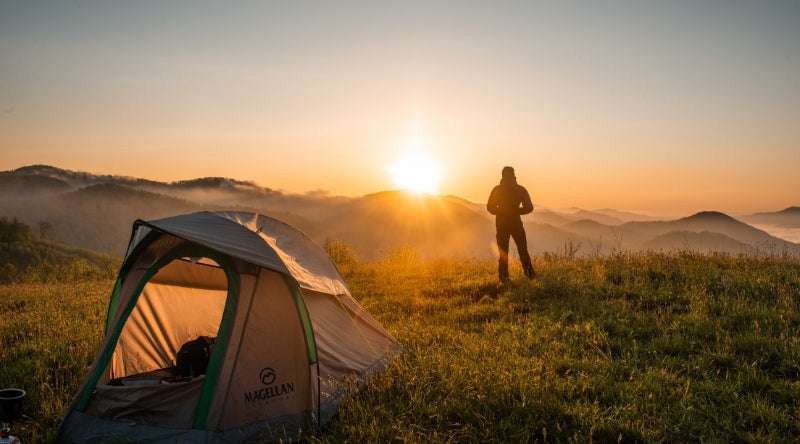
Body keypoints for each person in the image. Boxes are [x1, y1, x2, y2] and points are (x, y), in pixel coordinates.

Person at [486, 166, 535, 282]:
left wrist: (502, 211)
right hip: (516, 223)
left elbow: (490, 207)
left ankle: (504, 278)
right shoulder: (520, 189)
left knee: (503, 252)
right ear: (514, 175)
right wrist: (516, 211)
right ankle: (530, 275)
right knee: (523, 250)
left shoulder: (497, 190)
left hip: (501, 224)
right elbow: (529, 208)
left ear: (502, 175)